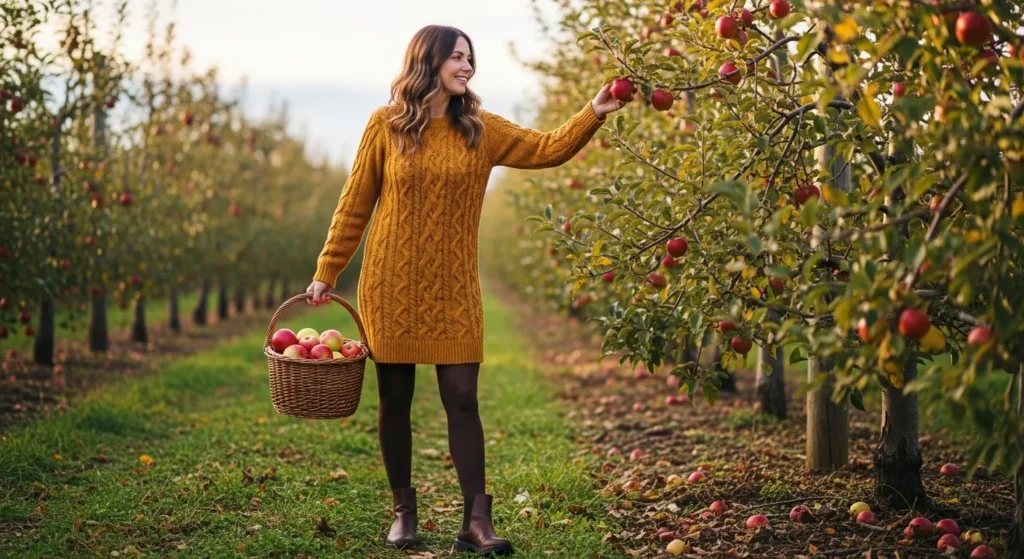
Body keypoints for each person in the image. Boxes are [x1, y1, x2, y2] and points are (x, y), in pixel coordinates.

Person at [305, 24, 624, 556]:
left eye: (469, 58)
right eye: (456, 57)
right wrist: (327, 269)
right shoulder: (385, 126)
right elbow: (355, 203)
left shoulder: (480, 128)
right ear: (427, 61)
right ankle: (403, 512)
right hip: (391, 283)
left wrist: (592, 112)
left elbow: (547, 149)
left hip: (454, 286)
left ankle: (475, 521)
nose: (467, 66)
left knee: (463, 398)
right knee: (395, 399)